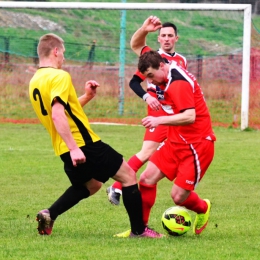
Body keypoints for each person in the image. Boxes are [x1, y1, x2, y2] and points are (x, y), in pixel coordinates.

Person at [29, 33, 163, 238]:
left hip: (62, 147)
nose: (63, 57)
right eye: (63, 53)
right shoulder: (59, 76)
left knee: (91, 185)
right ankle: (139, 230)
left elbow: (65, 111)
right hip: (83, 144)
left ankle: (49, 214)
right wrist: (75, 148)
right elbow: (57, 115)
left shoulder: (35, 80)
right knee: (128, 176)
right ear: (55, 51)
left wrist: (87, 97)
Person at [115, 16, 216, 238]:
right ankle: (140, 230)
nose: (152, 81)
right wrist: (144, 28)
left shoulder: (177, 82)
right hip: (175, 140)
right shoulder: (157, 62)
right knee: (146, 179)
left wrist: (158, 120)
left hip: (196, 145)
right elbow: (135, 45)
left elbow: (190, 116)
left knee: (178, 197)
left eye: (152, 76)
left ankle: (203, 208)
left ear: (161, 66)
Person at [106, 19, 187, 206]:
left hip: (174, 115)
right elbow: (134, 77)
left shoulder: (182, 60)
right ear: (158, 38)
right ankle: (118, 186)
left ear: (176, 38)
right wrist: (147, 97)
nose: (166, 39)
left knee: (159, 154)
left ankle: (125, 186)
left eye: (170, 36)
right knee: (148, 152)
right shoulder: (152, 57)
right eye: (163, 36)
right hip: (158, 113)